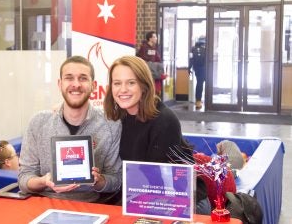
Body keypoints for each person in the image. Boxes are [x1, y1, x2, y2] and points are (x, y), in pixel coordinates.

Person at [103, 56, 210, 213]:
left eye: (131, 83)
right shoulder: (122, 117)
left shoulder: (164, 120)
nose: (123, 89)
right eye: (117, 83)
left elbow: (156, 185)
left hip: (184, 201)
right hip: (145, 195)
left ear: (144, 86)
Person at [18, 56, 122, 203]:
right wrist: (44, 181)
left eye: (83, 78)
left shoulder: (111, 125)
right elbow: (24, 177)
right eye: (69, 78)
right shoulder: (38, 123)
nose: (76, 84)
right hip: (44, 203)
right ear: (60, 84)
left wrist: (99, 181)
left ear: (93, 85)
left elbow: (117, 179)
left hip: (92, 206)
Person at [137, 31, 165, 96]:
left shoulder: (154, 48)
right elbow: (143, 61)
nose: (156, 38)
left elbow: (157, 59)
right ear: (150, 38)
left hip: (154, 74)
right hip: (149, 74)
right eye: (154, 37)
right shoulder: (144, 48)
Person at [188, 36, 206, 109]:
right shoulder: (206, 48)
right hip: (205, 68)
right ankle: (202, 100)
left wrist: (189, 68)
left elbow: (191, 59)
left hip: (197, 69)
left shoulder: (193, 48)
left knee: (199, 84)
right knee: (204, 84)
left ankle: (198, 101)